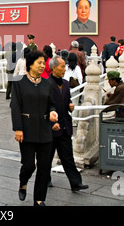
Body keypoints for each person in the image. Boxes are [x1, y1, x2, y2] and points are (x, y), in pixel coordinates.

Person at [11, 50, 59, 206]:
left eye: (43, 63)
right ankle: (23, 182)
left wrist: (52, 112)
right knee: (29, 165)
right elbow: (15, 107)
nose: (42, 66)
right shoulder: (19, 82)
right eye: (39, 62)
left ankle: (39, 199)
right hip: (26, 130)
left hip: (45, 130)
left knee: (44, 167)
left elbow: (51, 103)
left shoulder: (47, 83)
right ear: (30, 64)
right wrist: (18, 128)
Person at [47, 56, 88, 192]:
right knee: (47, 157)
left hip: (64, 126)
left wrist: (70, 106)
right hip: (51, 127)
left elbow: (67, 100)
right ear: (54, 68)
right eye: (62, 66)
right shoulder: (46, 84)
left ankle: (76, 183)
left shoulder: (65, 84)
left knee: (68, 157)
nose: (65, 69)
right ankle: (45, 179)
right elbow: (44, 106)